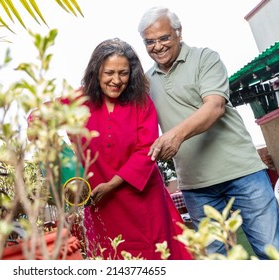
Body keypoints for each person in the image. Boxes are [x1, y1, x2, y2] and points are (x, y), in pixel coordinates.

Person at [138, 6, 279, 259]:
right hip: (196, 185)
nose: (158, 46)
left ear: (179, 33)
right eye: (150, 42)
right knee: (217, 262)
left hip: (242, 173)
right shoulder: (147, 81)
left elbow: (214, 106)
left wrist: (176, 135)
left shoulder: (205, 58)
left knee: (271, 253)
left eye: (164, 38)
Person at [75, 38, 192, 260]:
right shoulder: (78, 100)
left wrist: (110, 185)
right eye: (109, 72)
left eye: (123, 73)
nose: (116, 81)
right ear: (96, 71)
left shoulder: (142, 103)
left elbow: (146, 151)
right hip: (103, 206)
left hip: (144, 200)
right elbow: (40, 116)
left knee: (156, 256)